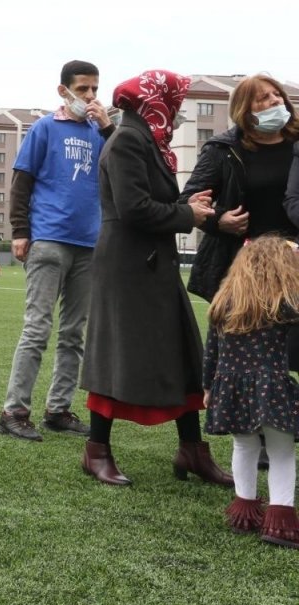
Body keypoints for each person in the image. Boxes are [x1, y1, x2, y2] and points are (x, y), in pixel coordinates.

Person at [78, 70, 232, 488]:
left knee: (182, 352)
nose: (179, 110)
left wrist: (187, 204)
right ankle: (96, 451)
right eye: (176, 101)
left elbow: (151, 203)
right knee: (117, 354)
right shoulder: (129, 139)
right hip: (129, 267)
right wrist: (189, 215)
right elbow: (134, 210)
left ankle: (192, 450)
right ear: (155, 101)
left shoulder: (146, 140)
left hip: (149, 263)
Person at [0, 61, 113, 443]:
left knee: (75, 332)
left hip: (88, 244)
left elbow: (123, 168)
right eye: (83, 89)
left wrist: (108, 126)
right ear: (63, 91)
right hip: (48, 240)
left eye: (95, 89)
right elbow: (22, 182)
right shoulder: (45, 128)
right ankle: (13, 411)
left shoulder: (101, 132)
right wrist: (19, 231)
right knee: (37, 328)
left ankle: (58, 409)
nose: (91, 96)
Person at [202, 236, 299, 546]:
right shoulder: (282, 303)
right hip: (271, 387)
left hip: (230, 388)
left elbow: (211, 351)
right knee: (281, 451)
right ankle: (280, 522)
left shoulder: (223, 303)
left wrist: (207, 387)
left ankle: (245, 512)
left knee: (244, 447)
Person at [183, 74, 299, 300]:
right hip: (242, 266)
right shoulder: (222, 149)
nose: (276, 101)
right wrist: (219, 220)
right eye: (264, 98)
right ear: (245, 110)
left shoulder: (296, 144)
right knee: (243, 333)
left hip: (294, 262)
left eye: (278, 95)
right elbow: (188, 201)